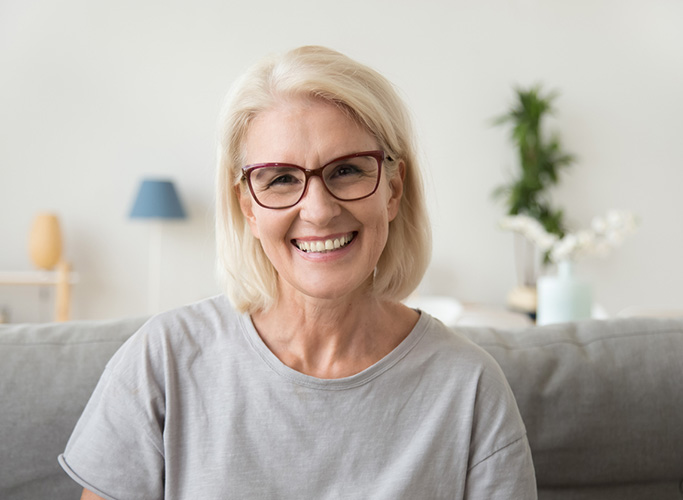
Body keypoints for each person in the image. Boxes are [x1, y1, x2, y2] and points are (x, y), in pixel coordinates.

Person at [59, 45, 537, 499]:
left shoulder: (470, 387)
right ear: (247, 205)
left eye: (347, 170)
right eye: (282, 178)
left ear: (392, 190)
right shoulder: (162, 360)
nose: (319, 210)